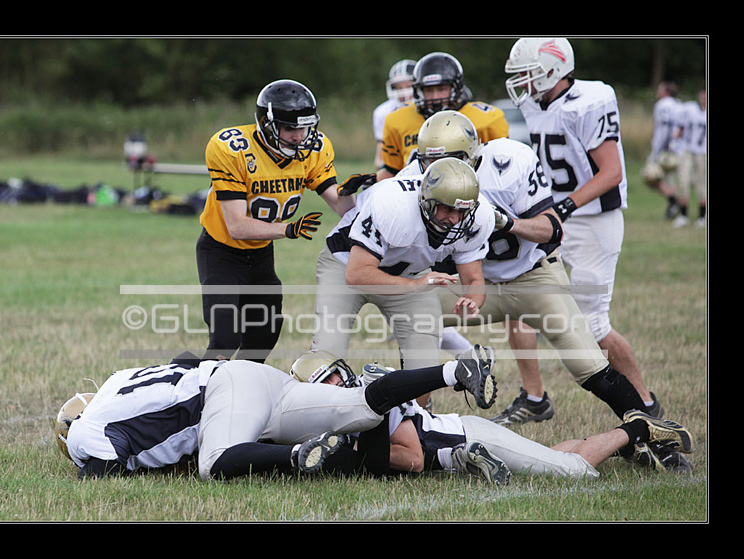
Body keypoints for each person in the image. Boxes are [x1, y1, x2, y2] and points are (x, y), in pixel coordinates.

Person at [405, 109, 686, 472]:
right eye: (428, 162)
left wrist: (508, 223)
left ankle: (657, 439)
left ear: (472, 156)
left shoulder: (509, 163)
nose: (436, 170)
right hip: (477, 284)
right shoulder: (415, 179)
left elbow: (553, 229)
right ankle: (415, 426)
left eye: (447, 160)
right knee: (414, 314)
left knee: (590, 367)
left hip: (533, 277)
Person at [500, 38, 663, 432]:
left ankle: (646, 406)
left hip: (592, 220)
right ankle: (534, 398)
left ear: (553, 69)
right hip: (552, 217)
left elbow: (612, 172)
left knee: (592, 324)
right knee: (517, 299)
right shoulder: (533, 103)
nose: (522, 82)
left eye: (528, 73)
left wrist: (565, 207)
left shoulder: (590, 100)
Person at [55, 344, 498, 481]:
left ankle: (294, 457)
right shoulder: (119, 379)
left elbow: (102, 470)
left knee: (214, 463)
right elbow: (185, 358)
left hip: (224, 396)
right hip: (254, 378)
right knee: (359, 405)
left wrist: (84, 474)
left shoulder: (86, 430)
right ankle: (453, 371)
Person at [296, 359, 695, 479]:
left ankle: (639, 427)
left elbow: (413, 458)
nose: (335, 385)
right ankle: (623, 446)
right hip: (463, 444)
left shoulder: (372, 397)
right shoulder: (335, 416)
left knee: (572, 473)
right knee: (548, 458)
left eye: (333, 376)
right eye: (324, 383)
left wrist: (357, 458)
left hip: (469, 436)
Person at [311, 157, 495, 408]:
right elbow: (357, 275)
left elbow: (474, 278)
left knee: (424, 369)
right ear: (427, 202)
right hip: (346, 265)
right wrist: (415, 285)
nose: (455, 219)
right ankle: (316, 416)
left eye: (462, 211)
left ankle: (412, 419)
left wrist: (472, 300)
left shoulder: (478, 217)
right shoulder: (393, 205)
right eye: (447, 209)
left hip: (412, 273)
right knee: (326, 358)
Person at [196, 79, 357, 364]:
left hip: (261, 254)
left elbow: (340, 206)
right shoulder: (233, 148)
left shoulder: (313, 149)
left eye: (303, 128)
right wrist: (288, 229)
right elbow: (236, 226)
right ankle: (187, 384)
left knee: (263, 337)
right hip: (222, 252)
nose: (299, 136)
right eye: (290, 128)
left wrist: (351, 193)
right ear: (267, 125)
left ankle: (242, 386)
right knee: (225, 340)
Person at [377, 51, 509, 182]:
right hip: (414, 191)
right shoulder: (398, 119)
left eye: (441, 89)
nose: (435, 97)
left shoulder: (488, 120)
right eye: (429, 90)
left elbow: (502, 167)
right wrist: (372, 181)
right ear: (419, 91)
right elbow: (392, 170)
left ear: (455, 88)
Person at [642, 81, 683, 219]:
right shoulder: (678, 104)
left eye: (660, 89)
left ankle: (674, 201)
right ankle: (673, 207)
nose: (657, 92)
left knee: (650, 176)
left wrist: (659, 149)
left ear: (666, 92)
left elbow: (665, 128)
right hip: (679, 148)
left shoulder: (662, 105)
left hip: (665, 148)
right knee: (670, 179)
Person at [372, 59, 416, 170]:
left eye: (408, 86)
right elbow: (378, 162)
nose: (404, 92)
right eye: (399, 87)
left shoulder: (428, 107)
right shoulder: (383, 112)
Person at [674, 88, 707, 228]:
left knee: (701, 183)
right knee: (683, 181)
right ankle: (683, 215)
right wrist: (675, 142)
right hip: (688, 150)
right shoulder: (690, 110)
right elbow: (680, 127)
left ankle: (702, 216)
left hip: (703, 152)